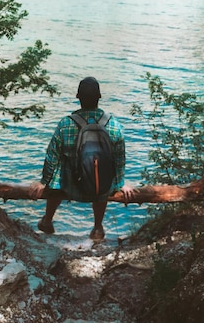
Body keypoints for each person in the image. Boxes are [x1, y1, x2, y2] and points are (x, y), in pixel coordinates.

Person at [30, 76, 134, 241]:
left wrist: (43, 182)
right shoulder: (114, 124)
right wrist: (121, 184)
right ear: (99, 98)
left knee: (59, 167)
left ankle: (48, 220)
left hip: (70, 187)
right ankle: (98, 227)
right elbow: (119, 159)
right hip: (99, 188)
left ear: (78, 98)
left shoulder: (65, 124)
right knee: (101, 166)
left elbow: (52, 157)